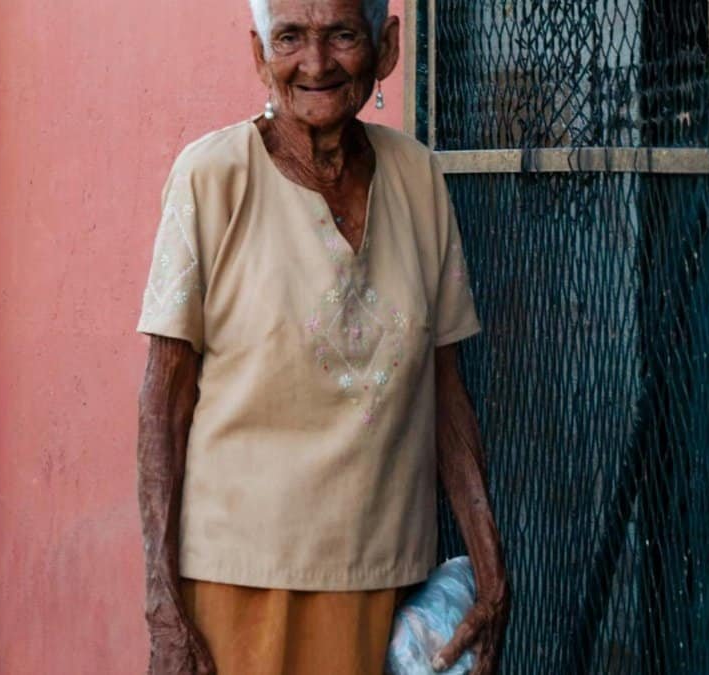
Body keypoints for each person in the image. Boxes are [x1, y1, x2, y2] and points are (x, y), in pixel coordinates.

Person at [134, 1, 510, 673]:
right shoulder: (212, 178)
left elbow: (446, 391)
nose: (315, 63)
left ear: (386, 46)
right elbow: (162, 407)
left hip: (382, 583)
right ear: (258, 54)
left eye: (341, 34)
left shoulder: (417, 179)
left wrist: (490, 568)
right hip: (237, 589)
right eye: (289, 38)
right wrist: (163, 605)